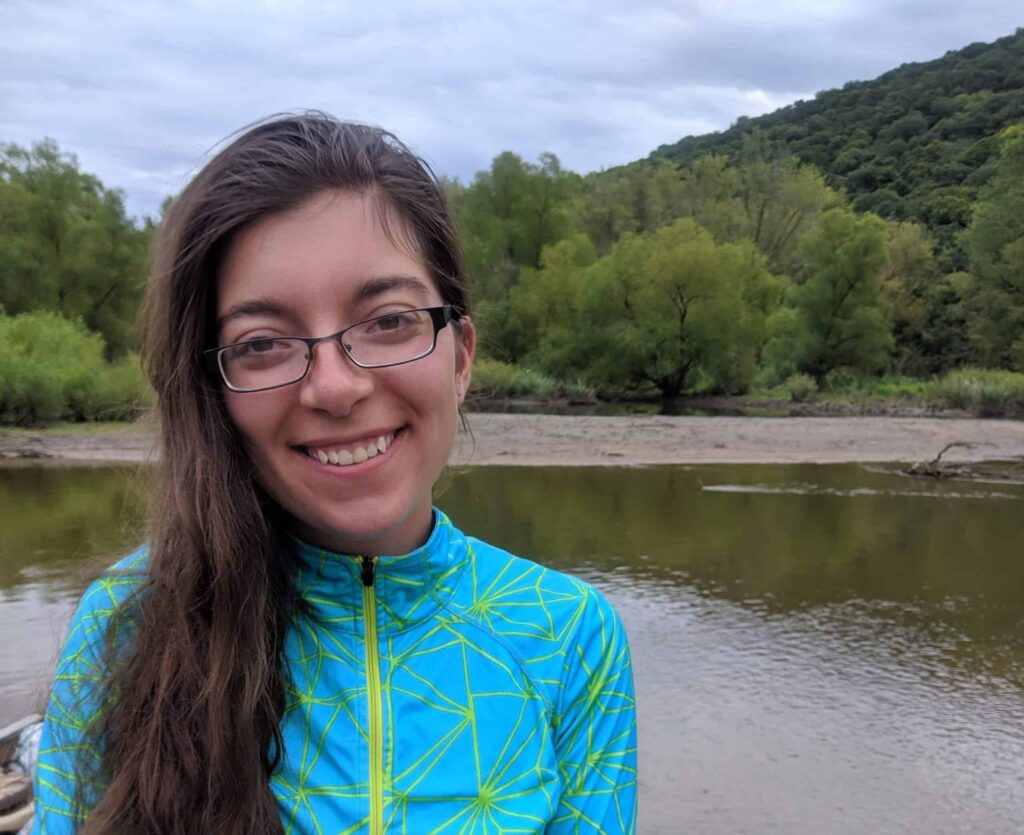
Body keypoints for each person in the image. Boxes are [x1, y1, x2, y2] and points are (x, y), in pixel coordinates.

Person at [32, 114, 637, 834]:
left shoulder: (569, 634)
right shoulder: (125, 621)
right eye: (262, 342)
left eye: (388, 321)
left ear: (461, 357)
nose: (335, 387)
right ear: (213, 389)